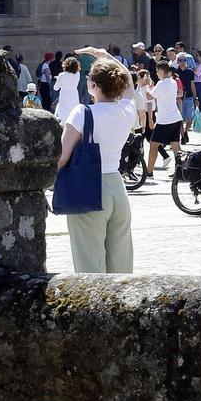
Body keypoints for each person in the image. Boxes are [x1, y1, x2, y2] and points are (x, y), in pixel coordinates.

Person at [57, 47, 138, 274]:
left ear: (94, 85)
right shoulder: (127, 109)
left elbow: (61, 157)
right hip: (117, 188)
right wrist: (105, 56)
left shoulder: (82, 113)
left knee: (89, 267)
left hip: (88, 187)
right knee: (121, 267)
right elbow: (130, 83)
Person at [146, 61, 184, 174]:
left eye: (157, 71)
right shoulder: (173, 82)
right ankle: (181, 170)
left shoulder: (162, 83)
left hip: (165, 120)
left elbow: (149, 96)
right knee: (175, 145)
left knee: (153, 145)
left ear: (162, 71)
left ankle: (149, 171)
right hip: (176, 117)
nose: (156, 73)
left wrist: (147, 85)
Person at [53, 56, 81, 124]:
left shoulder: (62, 75)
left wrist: (58, 79)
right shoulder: (78, 74)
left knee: (62, 113)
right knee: (73, 113)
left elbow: (55, 88)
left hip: (64, 96)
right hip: (74, 95)